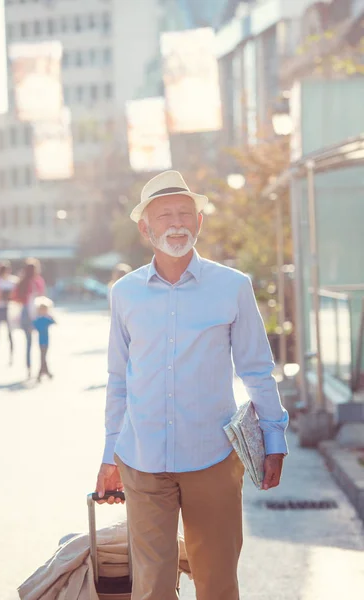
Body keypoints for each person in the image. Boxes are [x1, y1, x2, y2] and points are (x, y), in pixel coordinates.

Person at [95, 170, 289, 600]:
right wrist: (110, 454)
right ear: (146, 229)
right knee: (151, 586)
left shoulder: (232, 287)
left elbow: (257, 368)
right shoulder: (124, 293)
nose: (176, 223)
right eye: (164, 215)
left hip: (213, 457)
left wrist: (275, 438)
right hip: (142, 459)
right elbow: (118, 378)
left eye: (185, 212)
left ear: (200, 223)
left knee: (217, 582)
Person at [12, 258, 45, 378]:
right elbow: (42, 296)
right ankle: (41, 367)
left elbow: (15, 297)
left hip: (26, 312)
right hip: (36, 313)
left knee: (29, 343)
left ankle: (30, 368)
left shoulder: (22, 282)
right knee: (42, 341)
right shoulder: (37, 281)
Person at [0, 261, 17, 366]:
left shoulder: (13, 281)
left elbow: (14, 296)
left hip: (8, 308)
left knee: (9, 334)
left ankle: (11, 357)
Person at [32, 297, 55, 383]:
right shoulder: (39, 319)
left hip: (46, 341)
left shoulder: (46, 319)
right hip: (41, 341)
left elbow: (54, 321)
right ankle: (44, 372)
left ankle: (44, 372)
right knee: (43, 357)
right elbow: (33, 325)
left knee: (43, 357)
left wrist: (49, 315)